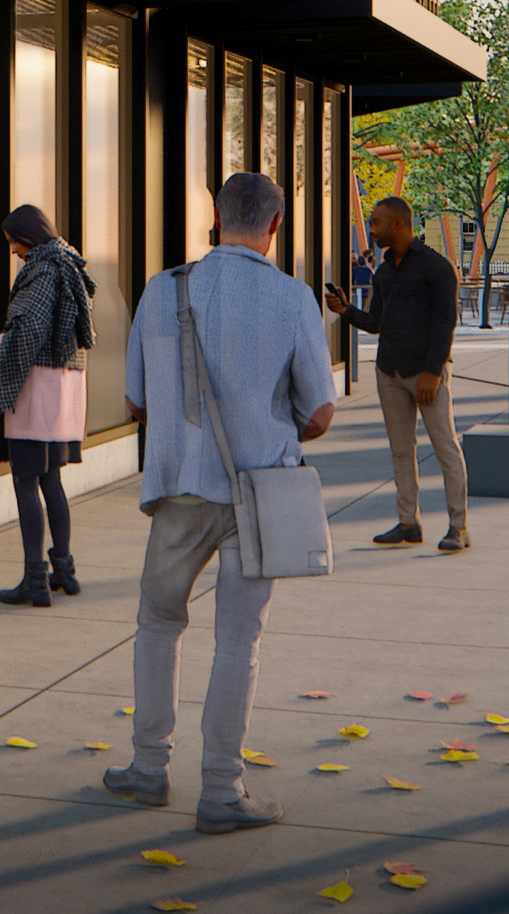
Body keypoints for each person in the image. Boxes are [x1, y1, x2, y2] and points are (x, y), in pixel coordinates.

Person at [103, 170, 336, 834]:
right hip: (258, 494)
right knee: (239, 641)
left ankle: (148, 767)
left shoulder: (163, 289)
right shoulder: (292, 298)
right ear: (275, 224)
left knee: (157, 624)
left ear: (215, 218)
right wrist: (273, 424)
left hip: (178, 487)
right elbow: (320, 411)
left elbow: (136, 401)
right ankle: (222, 790)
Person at [0, 205, 92, 606]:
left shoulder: (41, 271)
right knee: (52, 482)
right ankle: (65, 571)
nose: (12, 250)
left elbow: (26, 335)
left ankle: (34, 580)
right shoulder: (68, 264)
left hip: (37, 396)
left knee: (26, 484)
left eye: (13, 241)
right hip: (65, 396)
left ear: (29, 236)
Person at [340, 196, 465, 551]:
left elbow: (445, 322)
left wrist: (433, 372)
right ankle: (408, 523)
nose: (371, 230)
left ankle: (458, 527)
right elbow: (376, 323)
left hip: (427, 373)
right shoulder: (384, 271)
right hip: (389, 372)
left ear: (398, 223)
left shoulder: (436, 266)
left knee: (445, 447)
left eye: (376, 223)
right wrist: (346, 310)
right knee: (400, 451)